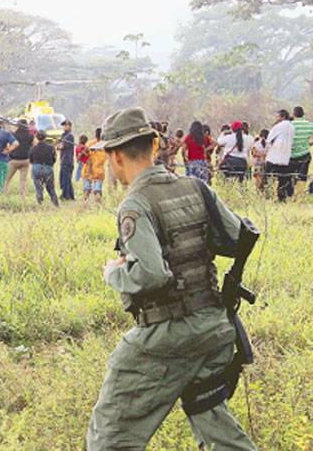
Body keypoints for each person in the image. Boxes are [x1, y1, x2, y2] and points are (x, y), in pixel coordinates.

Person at [86, 107, 257, 451]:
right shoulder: (196, 187)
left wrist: (114, 273)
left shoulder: (135, 203)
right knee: (214, 424)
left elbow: (152, 274)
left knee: (109, 437)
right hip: (215, 329)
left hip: (167, 337)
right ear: (153, 144)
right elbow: (239, 238)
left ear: (115, 155)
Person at [265, 109, 295, 202]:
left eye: (278, 117)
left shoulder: (278, 127)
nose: (277, 118)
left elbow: (268, 140)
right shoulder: (292, 127)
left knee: (269, 179)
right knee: (283, 180)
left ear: (283, 117)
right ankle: (281, 199)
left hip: (274, 157)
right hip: (285, 158)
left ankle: (268, 197)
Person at [4, 119, 34, 201]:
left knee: (6, 179)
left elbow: (8, 145)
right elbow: (33, 146)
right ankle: (22, 198)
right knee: (23, 181)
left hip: (13, 160)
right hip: (25, 160)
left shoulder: (13, 135)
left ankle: (3, 195)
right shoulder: (30, 136)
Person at [28, 130, 59, 206]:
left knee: (38, 188)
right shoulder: (51, 148)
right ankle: (56, 204)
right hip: (48, 168)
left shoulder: (33, 148)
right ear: (45, 137)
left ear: (37, 138)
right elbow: (54, 159)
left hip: (36, 167)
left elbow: (30, 159)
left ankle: (40, 203)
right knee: (51, 188)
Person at [289, 106, 313, 197]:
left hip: (291, 155)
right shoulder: (309, 124)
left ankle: (290, 194)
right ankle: (299, 195)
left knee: (291, 175)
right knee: (302, 175)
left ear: (293, 114)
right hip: (304, 154)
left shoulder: (290, 124)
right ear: (303, 114)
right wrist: (310, 143)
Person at [81, 127, 106, 203]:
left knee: (87, 190)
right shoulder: (105, 146)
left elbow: (82, 157)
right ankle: (98, 207)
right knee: (97, 191)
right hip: (97, 171)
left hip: (88, 171)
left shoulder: (89, 144)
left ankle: (84, 204)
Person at [55, 119, 76, 200]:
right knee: (65, 179)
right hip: (63, 160)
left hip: (67, 160)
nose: (64, 127)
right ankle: (70, 196)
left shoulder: (69, 136)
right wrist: (58, 146)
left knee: (65, 180)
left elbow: (61, 146)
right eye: (63, 125)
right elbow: (57, 146)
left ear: (69, 126)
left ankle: (65, 195)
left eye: (66, 125)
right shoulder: (63, 135)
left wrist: (59, 146)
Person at [251, 129, 270, 193]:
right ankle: (265, 194)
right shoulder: (269, 144)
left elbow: (253, 153)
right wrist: (264, 156)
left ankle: (258, 194)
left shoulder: (256, 143)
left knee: (258, 180)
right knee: (265, 180)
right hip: (267, 164)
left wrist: (260, 155)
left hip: (257, 164)